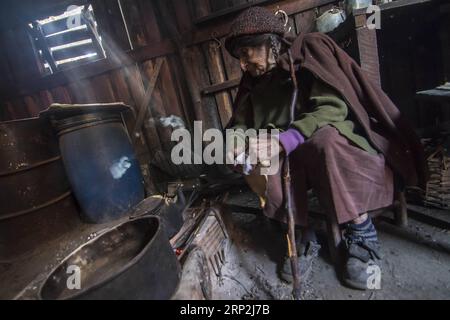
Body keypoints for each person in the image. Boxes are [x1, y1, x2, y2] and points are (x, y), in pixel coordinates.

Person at [224, 6, 426, 290]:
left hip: (319, 138)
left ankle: (360, 231)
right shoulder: (252, 84)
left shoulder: (306, 55)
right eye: (239, 58)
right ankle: (301, 233)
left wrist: (286, 140)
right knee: (258, 158)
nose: (243, 64)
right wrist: (236, 145)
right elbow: (238, 126)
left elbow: (332, 109)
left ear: (269, 41)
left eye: (246, 53)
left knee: (325, 142)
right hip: (282, 152)